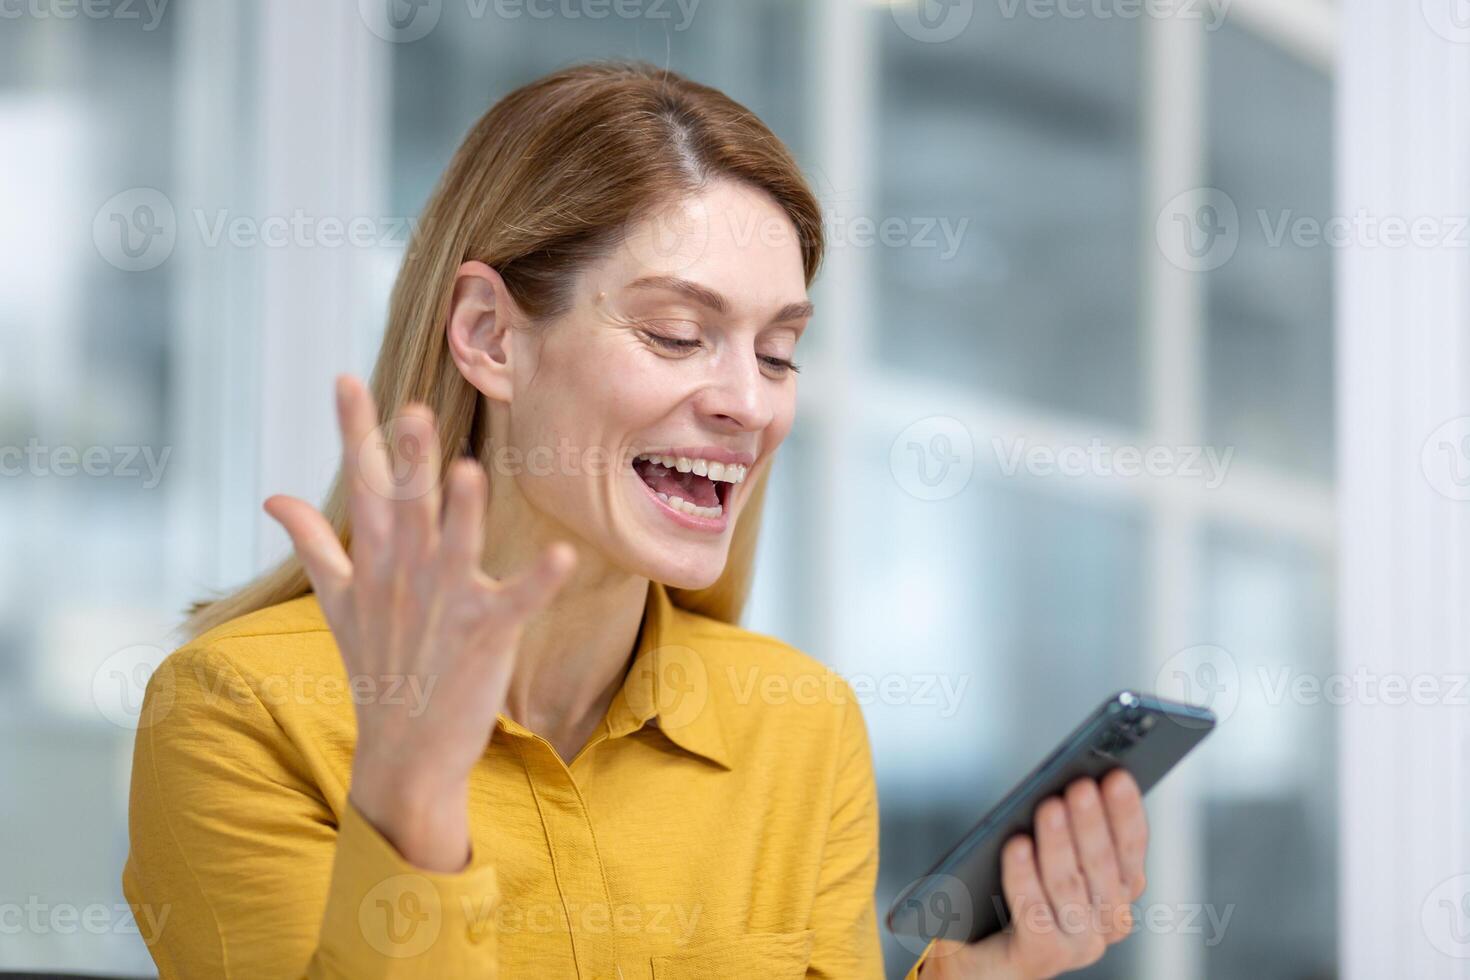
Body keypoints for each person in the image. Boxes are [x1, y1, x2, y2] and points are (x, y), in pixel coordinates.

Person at [122, 61, 1150, 979]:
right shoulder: (238, 709)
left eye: (780, 351)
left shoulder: (800, 725)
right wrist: (414, 795)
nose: (748, 401)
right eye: (678, 333)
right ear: (489, 336)